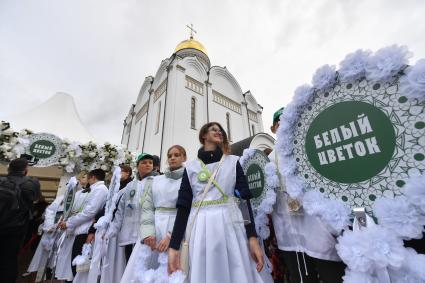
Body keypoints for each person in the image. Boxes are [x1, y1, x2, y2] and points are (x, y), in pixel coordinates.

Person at [168, 122, 265, 283]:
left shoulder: (234, 162)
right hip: (200, 228)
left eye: (221, 130)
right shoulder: (191, 168)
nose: (219, 132)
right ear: (203, 135)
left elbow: (243, 201)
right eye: (214, 129)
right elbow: (183, 207)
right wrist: (174, 246)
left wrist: (252, 237)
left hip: (231, 226)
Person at [269, 107, 346, 283]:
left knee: (330, 271)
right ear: (273, 129)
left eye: (287, 120)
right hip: (287, 225)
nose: (283, 125)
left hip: (315, 224)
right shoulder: (269, 158)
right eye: (279, 123)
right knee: (300, 276)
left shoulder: (310, 144)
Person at [120, 145, 187, 282]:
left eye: (177, 155)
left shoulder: (188, 178)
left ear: (184, 158)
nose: (172, 158)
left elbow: (186, 209)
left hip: (176, 228)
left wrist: (172, 235)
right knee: (140, 269)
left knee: (171, 271)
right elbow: (147, 207)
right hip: (154, 229)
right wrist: (148, 232)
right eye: (170, 155)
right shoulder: (156, 180)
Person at [27, 171, 88, 278]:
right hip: (53, 231)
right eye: (81, 177)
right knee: (45, 261)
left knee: (60, 262)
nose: (81, 179)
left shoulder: (86, 196)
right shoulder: (63, 197)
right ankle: (43, 277)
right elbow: (51, 210)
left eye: (85, 177)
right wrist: (50, 225)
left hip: (67, 233)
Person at [55, 169, 108, 282]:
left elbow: (90, 212)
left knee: (80, 267)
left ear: (93, 178)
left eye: (88, 177)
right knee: (74, 263)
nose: (87, 180)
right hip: (79, 228)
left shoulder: (100, 189)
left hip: (85, 230)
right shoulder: (94, 189)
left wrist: (69, 223)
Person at [106, 153, 157, 262]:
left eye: (150, 162)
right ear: (137, 166)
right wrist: (111, 231)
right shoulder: (130, 186)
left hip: (148, 236)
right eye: (144, 162)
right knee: (129, 269)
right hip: (129, 236)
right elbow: (121, 211)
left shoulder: (157, 181)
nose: (148, 165)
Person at [0, 157, 41, 283]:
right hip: (16, 228)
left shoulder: (1, 181)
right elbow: (36, 197)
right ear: (26, 170)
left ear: (9, 169)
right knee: (9, 260)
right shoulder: (31, 182)